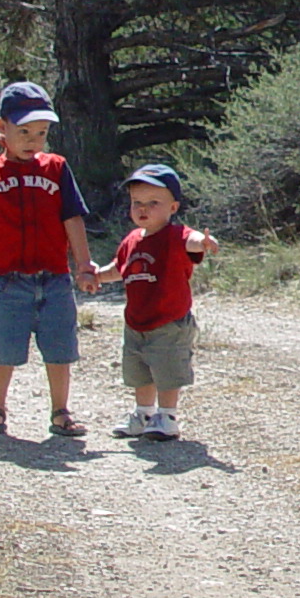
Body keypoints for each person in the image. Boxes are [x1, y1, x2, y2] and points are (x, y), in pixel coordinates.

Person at [0, 80, 100, 439]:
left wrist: (84, 264)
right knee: (3, 348)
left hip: (54, 278)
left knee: (60, 348)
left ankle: (61, 412)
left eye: (42, 132)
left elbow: (72, 217)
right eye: (24, 131)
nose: (34, 140)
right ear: (3, 127)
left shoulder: (56, 167)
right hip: (10, 280)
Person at [94, 163, 218, 442]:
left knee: (167, 369)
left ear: (172, 208)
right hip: (137, 321)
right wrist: (98, 276)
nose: (143, 209)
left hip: (169, 321)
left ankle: (168, 416)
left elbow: (193, 240)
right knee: (140, 370)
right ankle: (144, 414)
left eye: (153, 203)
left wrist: (206, 242)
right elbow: (120, 267)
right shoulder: (131, 240)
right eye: (137, 202)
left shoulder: (176, 235)